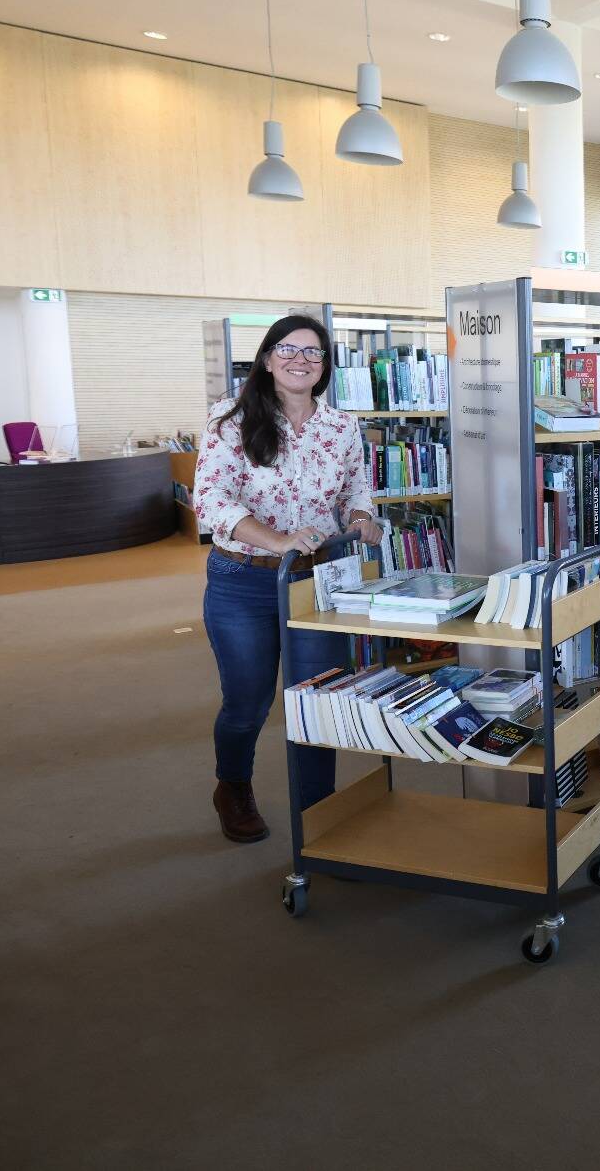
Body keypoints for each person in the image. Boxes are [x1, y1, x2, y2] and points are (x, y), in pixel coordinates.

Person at [192, 316, 382, 843]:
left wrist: (362, 517)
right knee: (247, 701)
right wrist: (275, 540)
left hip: (318, 582)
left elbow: (354, 490)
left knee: (316, 699)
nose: (301, 360)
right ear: (268, 358)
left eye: (313, 353)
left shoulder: (341, 427)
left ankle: (319, 813)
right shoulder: (229, 420)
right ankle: (232, 787)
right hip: (244, 580)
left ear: (325, 366)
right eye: (288, 349)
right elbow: (210, 500)